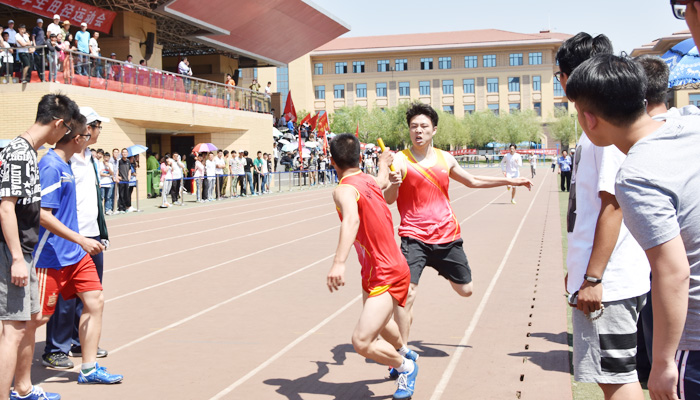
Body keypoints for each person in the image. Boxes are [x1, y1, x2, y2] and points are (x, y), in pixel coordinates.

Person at [565, 52, 700, 400]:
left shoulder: (636, 175)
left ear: (588, 118)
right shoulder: (691, 127)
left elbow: (673, 271)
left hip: (694, 335)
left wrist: (664, 363)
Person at [383, 102, 533, 354]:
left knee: (466, 290)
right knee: (406, 295)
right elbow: (388, 198)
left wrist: (508, 180)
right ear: (408, 131)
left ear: (434, 130)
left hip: (446, 236)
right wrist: (395, 184)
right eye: (413, 127)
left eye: (423, 126)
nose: (418, 131)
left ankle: (440, 266)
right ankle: (403, 354)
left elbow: (473, 180)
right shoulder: (400, 160)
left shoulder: (445, 157)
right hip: (413, 236)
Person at [556, 33, 649, 400]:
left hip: (610, 281)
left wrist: (593, 276)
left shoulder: (602, 130)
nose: (561, 84)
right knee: (611, 374)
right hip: (606, 276)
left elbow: (613, 205)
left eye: (560, 74)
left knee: (616, 377)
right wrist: (580, 269)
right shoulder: (595, 128)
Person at [15, 113, 123, 391]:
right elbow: (43, 215)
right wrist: (80, 239)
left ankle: (88, 368)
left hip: (75, 253)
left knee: (95, 301)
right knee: (36, 319)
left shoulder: (68, 164)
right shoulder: (50, 166)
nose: (89, 139)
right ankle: (21, 385)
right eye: (86, 135)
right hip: (51, 255)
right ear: (77, 138)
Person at [327, 133, 418, 400]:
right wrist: (382, 165)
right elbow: (379, 182)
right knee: (380, 322)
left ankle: (406, 367)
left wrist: (338, 263)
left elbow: (351, 221)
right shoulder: (366, 180)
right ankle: (404, 352)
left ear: (332, 162)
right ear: (358, 158)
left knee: (362, 341)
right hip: (375, 269)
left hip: (386, 271)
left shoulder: (343, 189)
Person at [0, 94, 77, 400]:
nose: (66, 136)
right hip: (14, 253)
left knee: (26, 323)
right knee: (13, 329)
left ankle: (22, 387)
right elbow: (6, 208)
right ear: (58, 123)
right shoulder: (19, 153)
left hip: (26, 251)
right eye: (67, 129)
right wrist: (17, 258)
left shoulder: (28, 153)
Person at [43, 107, 112, 371]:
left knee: (90, 296)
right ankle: (55, 348)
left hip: (91, 233)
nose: (97, 131)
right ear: (82, 130)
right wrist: (75, 236)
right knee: (63, 298)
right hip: (71, 235)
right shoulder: (62, 160)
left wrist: (100, 232)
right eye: (95, 126)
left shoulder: (90, 158)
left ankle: (77, 340)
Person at [116, 148, 131, 213]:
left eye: (125, 152)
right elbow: (117, 169)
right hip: (121, 181)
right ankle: (121, 208)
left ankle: (126, 207)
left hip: (126, 180)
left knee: (126, 194)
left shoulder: (128, 161)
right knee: (121, 194)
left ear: (127, 153)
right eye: (123, 152)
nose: (124, 153)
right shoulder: (119, 161)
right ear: (121, 154)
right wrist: (117, 176)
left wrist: (129, 176)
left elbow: (130, 169)